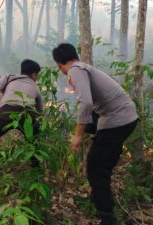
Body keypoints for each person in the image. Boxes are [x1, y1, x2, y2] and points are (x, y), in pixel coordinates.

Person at [52, 43, 138, 225]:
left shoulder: (75, 71)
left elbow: (86, 103)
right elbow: (96, 104)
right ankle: (97, 198)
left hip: (117, 120)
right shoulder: (84, 68)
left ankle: (107, 218)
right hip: (126, 118)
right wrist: (91, 127)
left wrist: (78, 135)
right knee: (102, 165)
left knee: (96, 169)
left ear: (59, 64)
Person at [0, 59, 43, 187]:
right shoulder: (36, 87)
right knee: (35, 144)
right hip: (28, 114)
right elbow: (40, 110)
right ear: (34, 75)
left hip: (5, 112)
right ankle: (36, 175)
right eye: (37, 76)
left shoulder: (9, 77)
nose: (36, 78)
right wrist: (36, 125)